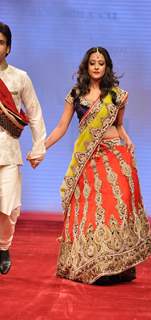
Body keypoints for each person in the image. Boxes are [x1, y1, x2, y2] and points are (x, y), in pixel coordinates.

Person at [45, 47, 151, 284]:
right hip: (89, 159)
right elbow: (61, 127)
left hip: (115, 155)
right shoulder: (75, 94)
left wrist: (127, 139)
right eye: (92, 62)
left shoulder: (116, 95)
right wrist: (42, 147)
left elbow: (119, 125)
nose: (96, 66)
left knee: (115, 207)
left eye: (101, 63)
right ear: (86, 66)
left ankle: (117, 267)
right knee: (91, 211)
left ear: (107, 67)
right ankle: (90, 264)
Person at [0, 22, 46, 274]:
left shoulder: (20, 77)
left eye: (0, 42)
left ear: (8, 47)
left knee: (8, 208)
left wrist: (39, 147)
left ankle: (3, 247)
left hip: (8, 151)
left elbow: (34, 113)